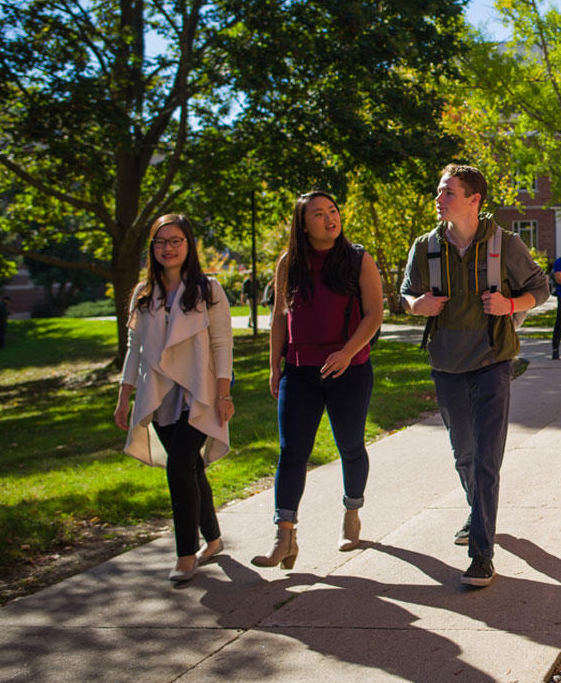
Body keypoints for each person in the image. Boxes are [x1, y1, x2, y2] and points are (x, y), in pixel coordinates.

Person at [400, 164, 548, 588]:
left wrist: (511, 304)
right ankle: (477, 512)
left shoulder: (506, 244)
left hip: (492, 362)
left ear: (474, 199)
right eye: (439, 191)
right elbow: (406, 293)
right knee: (463, 454)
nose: (439, 198)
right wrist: (416, 306)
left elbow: (541, 288)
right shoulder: (425, 246)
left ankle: (481, 553)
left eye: (448, 192)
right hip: (446, 364)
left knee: (486, 458)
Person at [254, 191, 384, 570]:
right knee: (292, 451)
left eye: (333, 211)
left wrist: (346, 352)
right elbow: (280, 317)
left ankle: (352, 511)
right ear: (302, 223)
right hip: (300, 371)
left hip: (350, 369)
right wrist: (274, 365)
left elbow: (374, 314)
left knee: (350, 444)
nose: (330, 219)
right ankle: (285, 535)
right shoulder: (288, 263)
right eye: (319, 214)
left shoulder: (358, 259)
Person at [113, 214, 234, 584]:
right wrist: (124, 398)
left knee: (178, 466)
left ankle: (185, 554)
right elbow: (135, 349)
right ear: (153, 248)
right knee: (191, 467)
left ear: (189, 245)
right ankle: (212, 540)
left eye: (176, 240)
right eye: (161, 241)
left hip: (199, 393)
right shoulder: (143, 293)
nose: (168, 248)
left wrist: (224, 393)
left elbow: (221, 343)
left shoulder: (208, 289)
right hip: (160, 396)